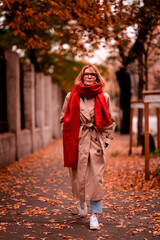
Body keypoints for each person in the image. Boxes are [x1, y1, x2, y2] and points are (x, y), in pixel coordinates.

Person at [60, 64, 114, 230]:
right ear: (82, 76)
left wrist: (105, 141)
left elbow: (110, 121)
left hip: (96, 141)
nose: (89, 77)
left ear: (97, 77)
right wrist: (71, 136)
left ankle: (94, 216)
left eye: (93, 74)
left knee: (96, 179)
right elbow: (63, 117)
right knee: (80, 177)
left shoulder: (104, 97)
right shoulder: (72, 95)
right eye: (86, 74)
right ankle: (82, 201)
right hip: (77, 141)